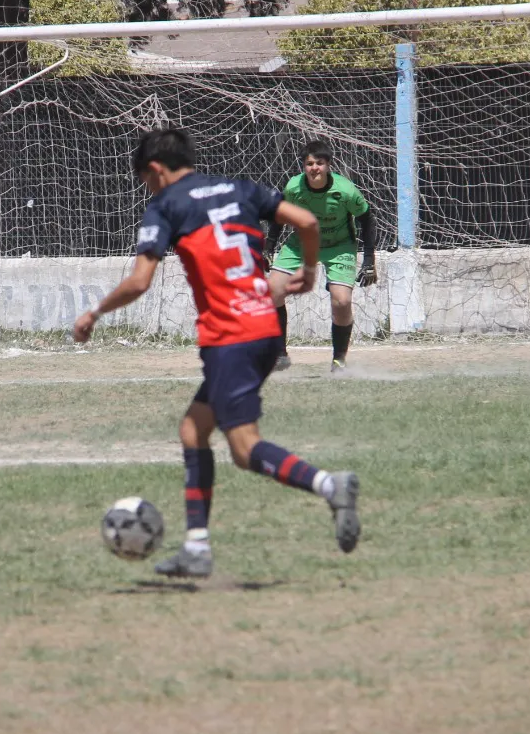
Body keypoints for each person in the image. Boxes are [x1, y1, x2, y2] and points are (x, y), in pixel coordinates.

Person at [73, 128, 362, 579]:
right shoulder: (239, 188)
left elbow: (139, 281)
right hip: (263, 327)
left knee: (244, 450)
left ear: (155, 170)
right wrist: (308, 270)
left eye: (147, 181)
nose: (148, 189)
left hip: (232, 335)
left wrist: (94, 312)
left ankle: (330, 485)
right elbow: (306, 223)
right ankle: (197, 547)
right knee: (194, 430)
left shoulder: (167, 204)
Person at [265, 140, 377, 373]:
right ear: (303, 166)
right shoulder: (294, 187)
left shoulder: (345, 190)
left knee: (342, 301)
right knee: (272, 290)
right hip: (301, 243)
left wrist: (368, 261)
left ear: (328, 165)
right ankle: (279, 354)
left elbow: (366, 220)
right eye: (309, 163)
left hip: (339, 246)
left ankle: (339, 360)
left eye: (319, 163)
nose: (314, 168)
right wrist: (268, 248)